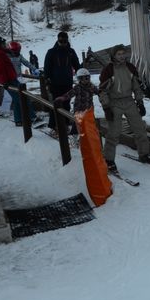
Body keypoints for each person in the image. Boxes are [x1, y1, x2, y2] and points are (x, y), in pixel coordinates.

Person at [55, 68, 113, 205]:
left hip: (88, 111)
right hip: (79, 111)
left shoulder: (91, 87)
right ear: (79, 80)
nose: (85, 81)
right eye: (83, 79)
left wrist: (105, 93)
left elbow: (99, 92)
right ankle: (75, 137)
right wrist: (61, 98)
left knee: (90, 128)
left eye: (87, 78)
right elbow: (69, 95)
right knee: (78, 126)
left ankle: (89, 139)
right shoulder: (77, 88)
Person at [99, 45, 150, 170]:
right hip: (114, 103)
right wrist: (106, 108)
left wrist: (140, 102)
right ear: (114, 56)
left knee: (140, 129)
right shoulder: (108, 70)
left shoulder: (130, 67)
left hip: (129, 102)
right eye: (119, 54)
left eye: (123, 53)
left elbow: (136, 86)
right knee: (114, 133)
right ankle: (108, 160)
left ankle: (144, 154)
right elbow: (102, 91)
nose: (122, 56)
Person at [0, 36, 35, 126]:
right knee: (23, 98)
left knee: (17, 99)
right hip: (10, 80)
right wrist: (4, 81)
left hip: (11, 78)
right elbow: (0, 69)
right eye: (3, 44)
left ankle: (18, 120)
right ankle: (32, 117)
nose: (5, 46)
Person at [43, 31, 81, 129]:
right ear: (58, 40)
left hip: (67, 82)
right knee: (55, 102)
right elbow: (47, 67)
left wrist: (81, 74)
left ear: (67, 40)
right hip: (55, 82)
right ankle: (53, 124)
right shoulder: (51, 52)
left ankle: (66, 122)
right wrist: (47, 79)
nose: (63, 43)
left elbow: (76, 65)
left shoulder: (71, 52)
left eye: (65, 41)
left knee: (66, 102)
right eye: (61, 41)